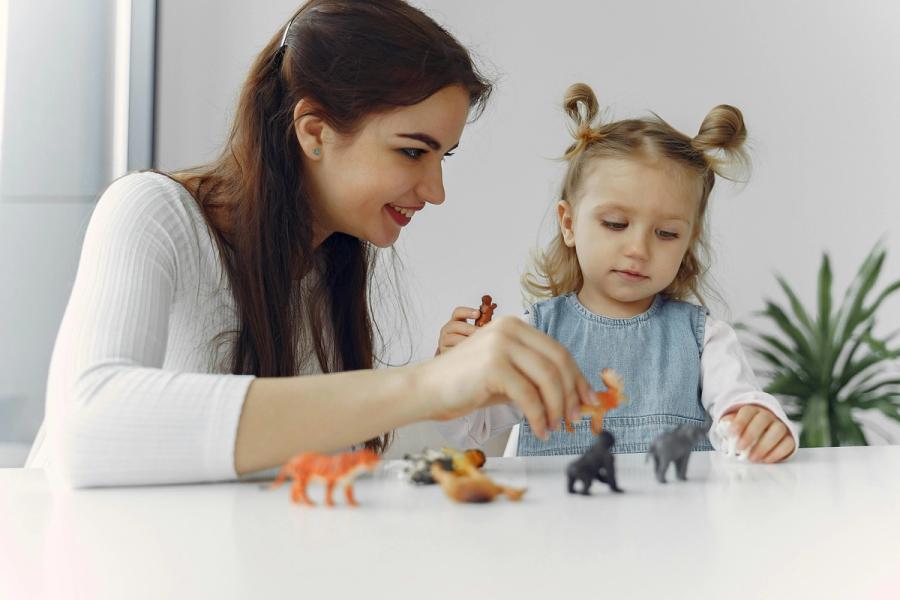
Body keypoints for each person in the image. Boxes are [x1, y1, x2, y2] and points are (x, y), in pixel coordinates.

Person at [25, 0, 598, 487]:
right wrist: (424, 385)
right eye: (412, 151)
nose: (436, 191)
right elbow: (88, 427)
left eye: (442, 157)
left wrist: (458, 398)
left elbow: (329, 450)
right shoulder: (152, 211)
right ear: (315, 131)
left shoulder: (330, 263)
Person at [436, 82, 798, 462]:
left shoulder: (705, 340)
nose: (638, 249)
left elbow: (739, 407)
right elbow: (468, 428)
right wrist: (452, 370)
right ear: (569, 224)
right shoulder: (534, 337)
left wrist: (758, 423)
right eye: (615, 224)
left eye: (666, 233)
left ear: (688, 241)